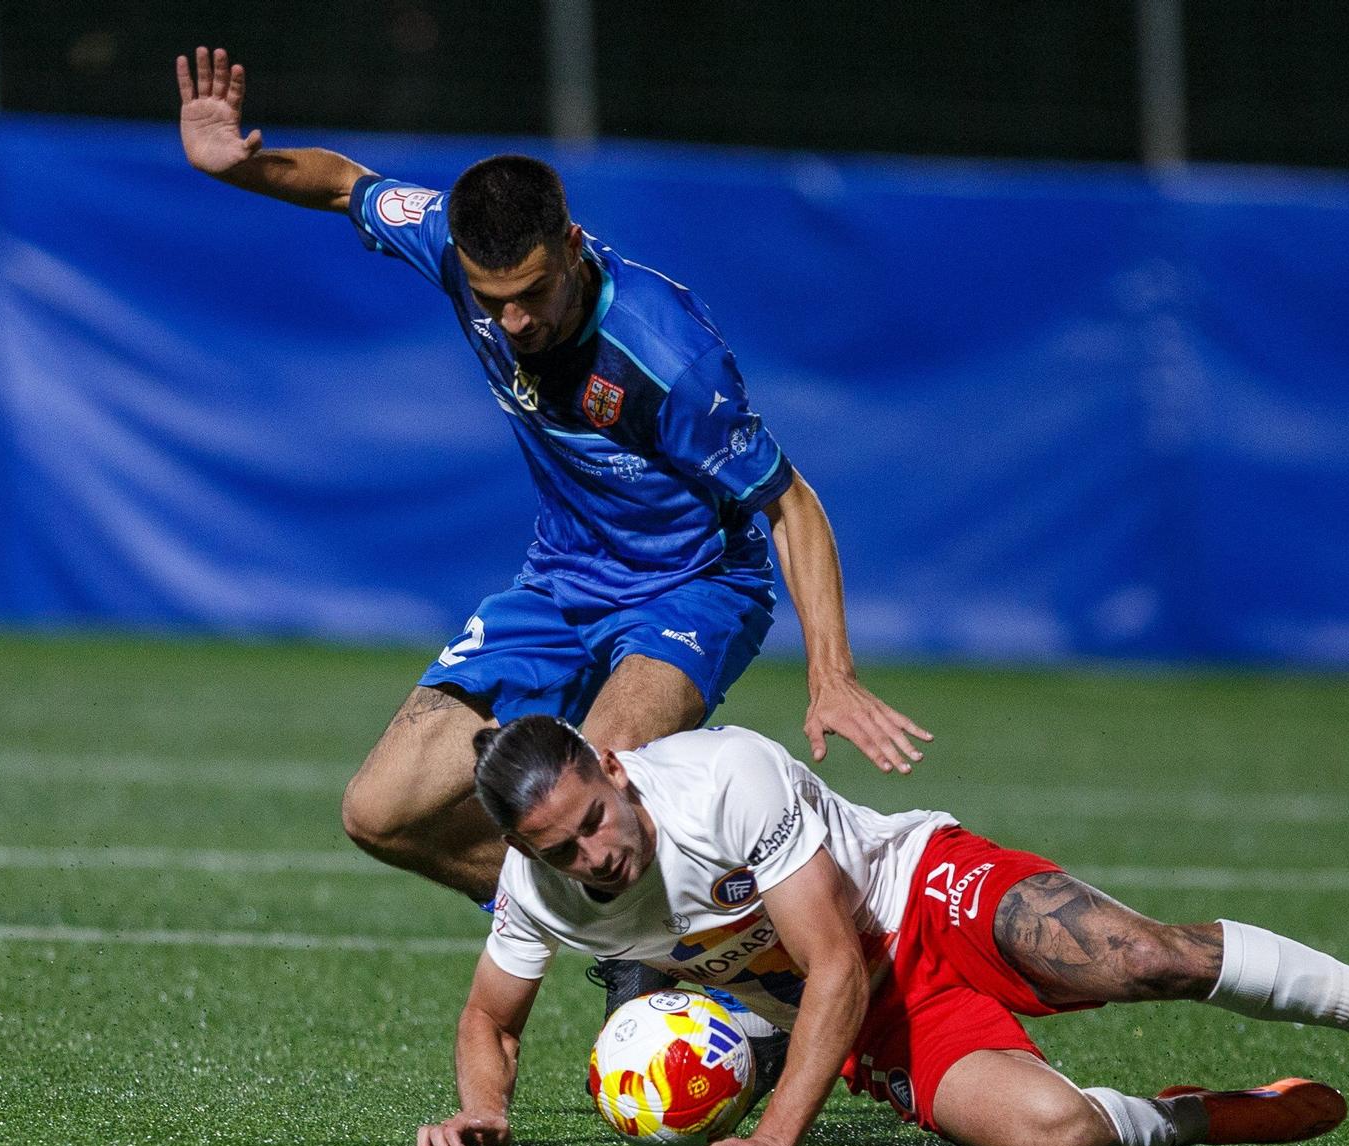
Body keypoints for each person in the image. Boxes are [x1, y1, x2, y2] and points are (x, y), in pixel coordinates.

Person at [174, 49, 931, 917]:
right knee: (377, 812)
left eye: (533, 293)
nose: (514, 321)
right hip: (561, 578)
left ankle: (712, 963)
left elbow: (791, 507)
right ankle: (626, 938)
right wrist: (241, 167)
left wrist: (830, 674)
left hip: (689, 589)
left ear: (571, 245)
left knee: (589, 791)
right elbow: (348, 183)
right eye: (495, 301)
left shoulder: (666, 360)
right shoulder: (454, 249)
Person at [414, 717, 1349, 1146]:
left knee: (1144, 955)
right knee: (1056, 1133)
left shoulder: (720, 780)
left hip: (916, 895)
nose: (593, 856)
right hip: (863, 1012)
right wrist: (482, 1109)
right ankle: (1199, 1112)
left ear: (613, 763)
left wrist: (775, 1134)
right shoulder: (543, 888)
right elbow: (488, 1018)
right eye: (561, 849)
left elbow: (837, 956)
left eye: (595, 819)